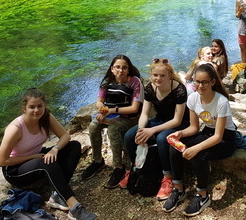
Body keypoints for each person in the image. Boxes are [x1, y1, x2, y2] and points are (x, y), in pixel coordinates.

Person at [0, 88, 97, 220]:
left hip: (36, 157)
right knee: (47, 162)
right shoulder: (15, 128)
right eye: (31, 107)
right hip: (15, 169)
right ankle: (74, 208)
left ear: (44, 105)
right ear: (24, 108)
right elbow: (1, 161)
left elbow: (65, 136)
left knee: (74, 146)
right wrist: (32, 157)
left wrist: (55, 148)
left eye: (40, 106)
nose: (36, 110)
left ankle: (57, 195)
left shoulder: (46, 117)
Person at [162, 63, 236, 217]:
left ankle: (203, 195)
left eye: (204, 82)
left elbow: (218, 136)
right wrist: (180, 134)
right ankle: (178, 188)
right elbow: (194, 128)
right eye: (197, 81)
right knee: (174, 145)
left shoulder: (221, 101)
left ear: (212, 82)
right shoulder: (193, 98)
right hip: (208, 132)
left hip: (225, 139)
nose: (200, 86)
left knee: (199, 154)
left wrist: (196, 148)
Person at [123, 58, 190, 201]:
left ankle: (168, 177)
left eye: (162, 76)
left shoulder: (178, 89)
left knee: (161, 138)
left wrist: (152, 131)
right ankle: (137, 167)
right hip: (159, 120)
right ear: (151, 74)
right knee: (130, 135)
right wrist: (141, 131)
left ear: (169, 76)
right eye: (155, 75)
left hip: (179, 123)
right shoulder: (149, 88)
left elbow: (177, 120)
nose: (158, 79)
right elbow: (145, 114)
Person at [81, 55, 144, 189]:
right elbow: (99, 102)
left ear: (129, 69)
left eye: (124, 67)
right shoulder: (107, 82)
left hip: (129, 118)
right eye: (117, 67)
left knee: (113, 129)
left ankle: (118, 167)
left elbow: (134, 108)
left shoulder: (134, 82)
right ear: (112, 69)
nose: (120, 70)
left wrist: (111, 111)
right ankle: (98, 160)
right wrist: (103, 111)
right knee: (93, 126)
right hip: (109, 114)